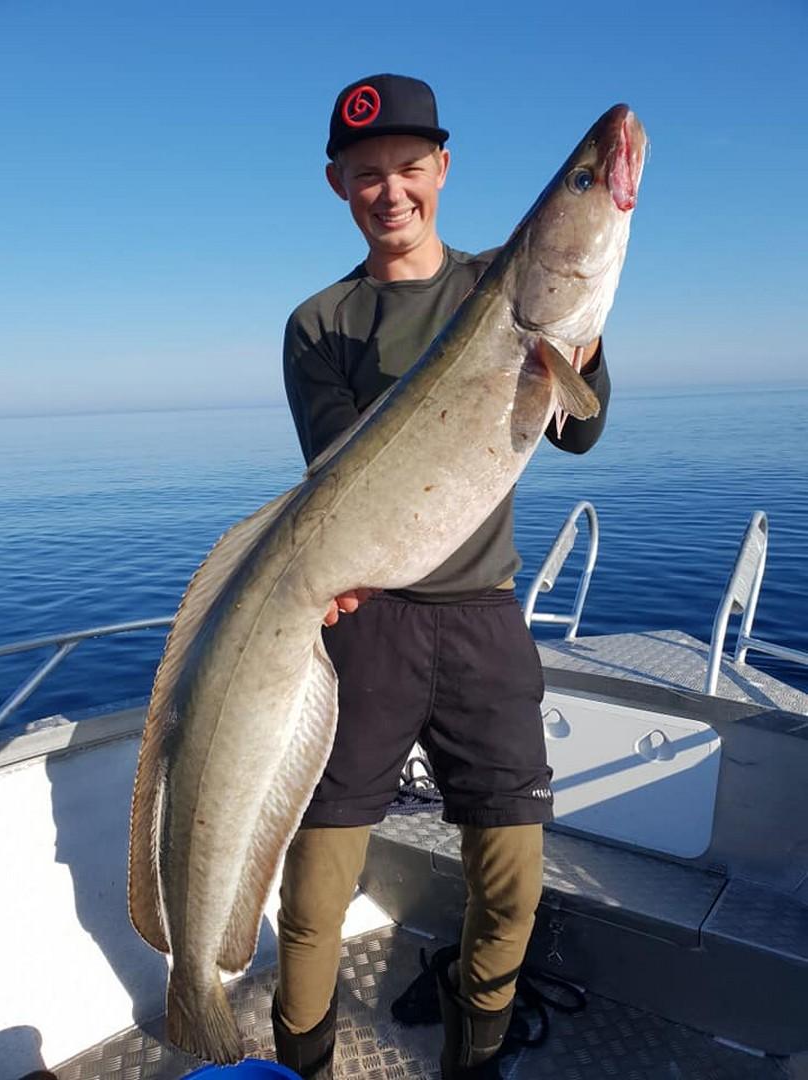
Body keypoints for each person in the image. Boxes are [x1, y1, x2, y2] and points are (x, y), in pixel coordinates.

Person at [273, 74, 610, 1079]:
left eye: (410, 167)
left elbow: (580, 432)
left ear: (443, 170)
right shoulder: (321, 322)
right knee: (316, 889)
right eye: (367, 174)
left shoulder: (505, 287)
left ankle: (477, 1055)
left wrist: (578, 339)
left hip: (483, 622)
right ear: (338, 185)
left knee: (512, 880)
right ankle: (300, 1064)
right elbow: (339, 469)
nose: (392, 190)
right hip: (368, 629)